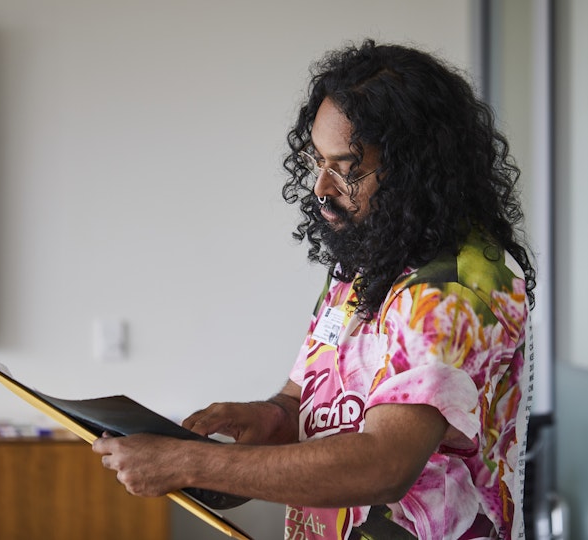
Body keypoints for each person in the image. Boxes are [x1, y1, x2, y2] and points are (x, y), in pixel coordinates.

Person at [93, 39, 536, 540]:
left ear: (418, 168)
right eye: (317, 162)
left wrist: (189, 463)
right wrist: (268, 419)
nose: (322, 188)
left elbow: (383, 466)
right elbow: (304, 401)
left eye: (347, 168)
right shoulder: (367, 260)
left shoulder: (453, 288)